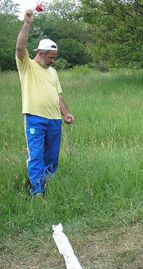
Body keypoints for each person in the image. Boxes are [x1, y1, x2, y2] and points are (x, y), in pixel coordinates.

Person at [16, 9, 74, 197]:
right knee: (36, 157)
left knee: (52, 159)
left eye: (54, 57)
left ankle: (47, 185)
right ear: (40, 54)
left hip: (54, 121)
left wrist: (65, 113)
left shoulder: (53, 72)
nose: (53, 61)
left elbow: (59, 96)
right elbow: (19, 47)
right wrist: (27, 24)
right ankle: (37, 192)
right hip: (35, 119)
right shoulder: (27, 67)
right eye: (51, 57)